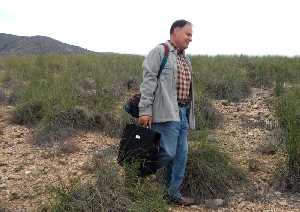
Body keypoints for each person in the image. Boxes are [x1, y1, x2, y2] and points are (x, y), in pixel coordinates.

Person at [138, 19, 195, 206]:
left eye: (191, 35)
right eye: (188, 34)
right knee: (168, 153)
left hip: (183, 113)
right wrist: (145, 110)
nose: (191, 38)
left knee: (181, 156)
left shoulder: (186, 59)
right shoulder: (160, 52)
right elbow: (148, 82)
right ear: (175, 32)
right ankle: (135, 173)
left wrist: (188, 113)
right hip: (166, 111)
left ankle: (172, 193)